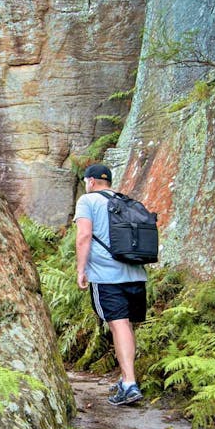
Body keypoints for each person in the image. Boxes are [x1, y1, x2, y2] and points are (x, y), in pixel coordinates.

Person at [74, 164, 147, 406]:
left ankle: (129, 383)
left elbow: (84, 236)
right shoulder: (124, 200)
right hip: (135, 273)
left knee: (119, 326)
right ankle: (127, 377)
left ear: (91, 181)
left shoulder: (88, 200)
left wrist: (81, 270)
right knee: (126, 327)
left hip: (107, 276)